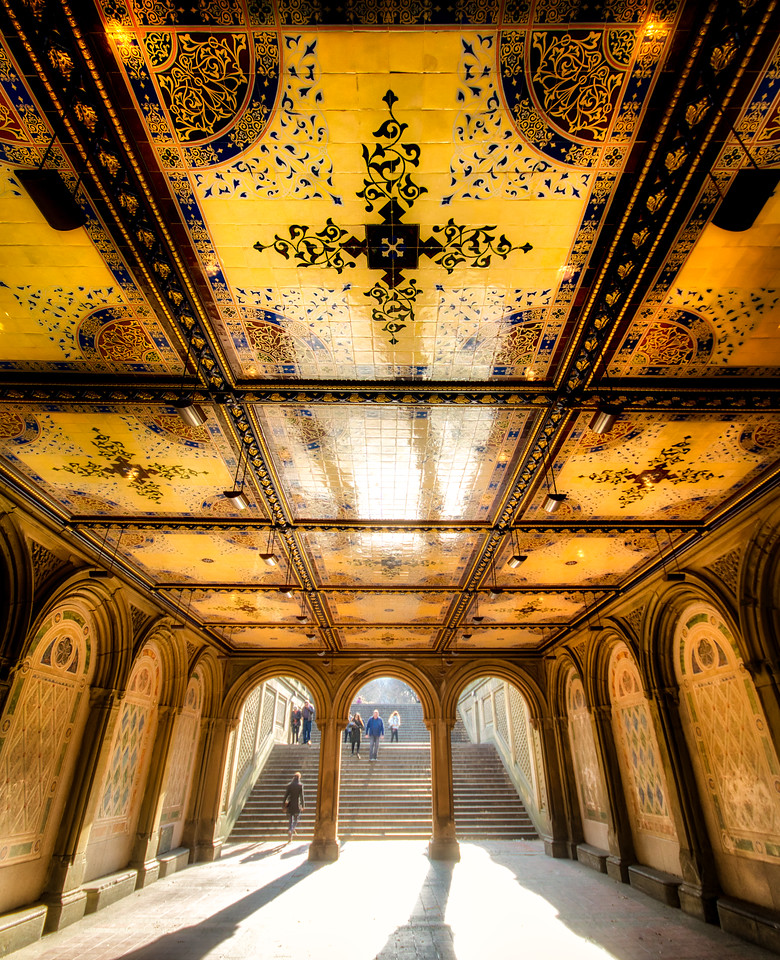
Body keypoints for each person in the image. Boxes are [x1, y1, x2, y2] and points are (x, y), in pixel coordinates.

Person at [282, 771, 304, 841]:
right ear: (299, 777)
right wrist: (303, 805)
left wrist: (283, 805)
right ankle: (292, 829)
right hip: (297, 804)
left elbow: (285, 796)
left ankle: (290, 829)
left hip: (290, 804)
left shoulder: (289, 785)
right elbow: (302, 796)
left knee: (290, 818)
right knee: (297, 817)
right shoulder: (300, 785)